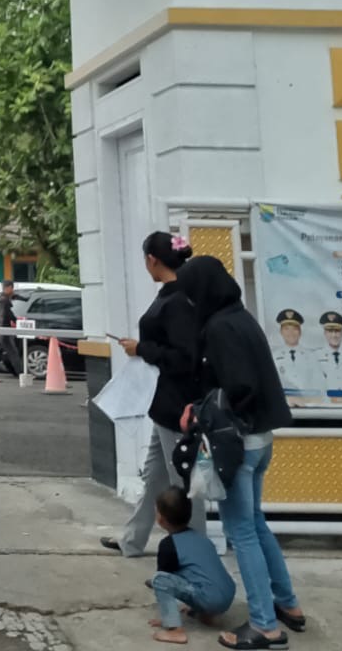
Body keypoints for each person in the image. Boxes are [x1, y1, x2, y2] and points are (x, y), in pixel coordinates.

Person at [177, 256, 306, 651]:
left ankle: (265, 626)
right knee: (256, 523)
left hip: (239, 444)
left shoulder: (219, 327)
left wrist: (199, 410)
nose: (189, 301)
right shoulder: (241, 317)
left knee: (241, 532)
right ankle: (287, 603)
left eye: (190, 293)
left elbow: (239, 387)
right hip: (261, 439)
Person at [102, 233, 206, 556]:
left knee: (183, 483)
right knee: (154, 475)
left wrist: (142, 349)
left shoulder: (178, 302)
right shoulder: (175, 295)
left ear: (152, 259)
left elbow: (184, 357)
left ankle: (195, 552)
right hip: (164, 404)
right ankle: (133, 539)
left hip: (177, 406)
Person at [149, 485, 236, 644]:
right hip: (228, 594)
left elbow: (168, 581)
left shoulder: (168, 545)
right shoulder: (201, 537)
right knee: (195, 572)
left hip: (211, 600)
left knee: (159, 580)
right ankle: (206, 614)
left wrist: (168, 616)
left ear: (161, 519)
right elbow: (201, 572)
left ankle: (175, 630)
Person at [270, 309, 321, 404]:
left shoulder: (311, 356)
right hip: (283, 404)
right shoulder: (273, 356)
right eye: (286, 329)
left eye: (294, 329)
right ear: (281, 332)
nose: (291, 333)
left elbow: (318, 383)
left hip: (308, 406)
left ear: (300, 332)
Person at [314, 310, 342, 390]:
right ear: (325, 333)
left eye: (337, 331)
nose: (334, 335)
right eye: (330, 331)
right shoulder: (315, 356)